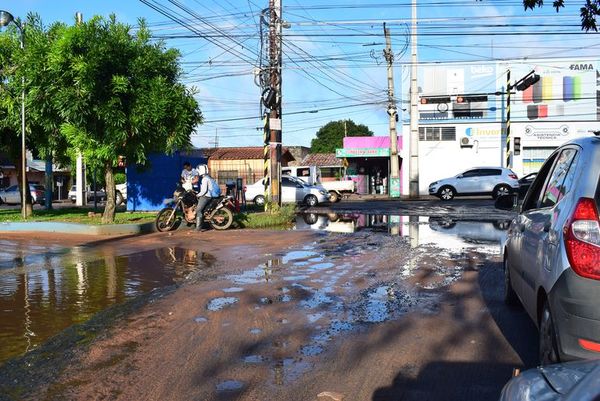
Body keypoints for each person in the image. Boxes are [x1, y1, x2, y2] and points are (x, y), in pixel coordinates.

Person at [195, 164, 221, 231]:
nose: (197, 172)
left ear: (201, 171)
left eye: (198, 170)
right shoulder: (208, 177)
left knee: (198, 210)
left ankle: (198, 227)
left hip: (206, 197)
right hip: (208, 196)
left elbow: (204, 191)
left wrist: (198, 195)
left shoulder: (205, 179)